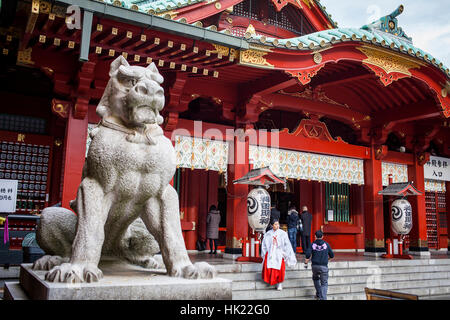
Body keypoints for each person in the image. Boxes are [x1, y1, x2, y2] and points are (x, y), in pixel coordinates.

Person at [261, 220, 297, 291]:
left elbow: (287, 244)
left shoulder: (283, 233)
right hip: (271, 253)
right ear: (272, 225)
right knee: (269, 268)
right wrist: (265, 253)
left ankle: (279, 283)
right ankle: (270, 280)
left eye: (278, 224)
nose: (277, 225)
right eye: (275, 224)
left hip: (279, 252)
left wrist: (286, 253)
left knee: (280, 269)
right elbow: (264, 244)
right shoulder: (268, 234)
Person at [304, 230, 334, 300]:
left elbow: (308, 254)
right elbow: (332, 255)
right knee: (324, 283)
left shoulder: (312, 244)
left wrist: (306, 261)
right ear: (322, 236)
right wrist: (328, 259)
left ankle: (318, 294)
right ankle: (323, 298)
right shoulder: (326, 244)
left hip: (314, 266)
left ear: (315, 237)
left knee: (315, 278)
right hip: (324, 267)